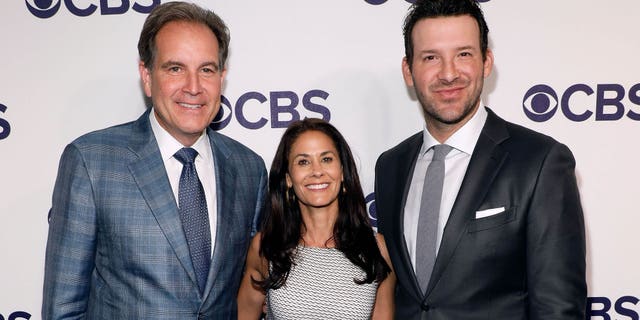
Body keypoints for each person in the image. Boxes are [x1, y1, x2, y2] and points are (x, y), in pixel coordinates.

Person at [42, 2, 267, 319]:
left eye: (206, 69)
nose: (193, 87)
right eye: (175, 68)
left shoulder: (249, 169)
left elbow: (254, 292)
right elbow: (63, 309)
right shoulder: (92, 161)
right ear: (146, 76)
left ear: (222, 77)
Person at [374, 0, 587, 319]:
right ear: (409, 69)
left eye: (464, 54)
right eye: (431, 57)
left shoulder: (540, 162)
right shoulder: (390, 166)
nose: (448, 74)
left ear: (486, 62)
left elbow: (558, 308)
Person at [237, 118, 396, 319]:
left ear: (343, 172)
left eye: (326, 159)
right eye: (303, 162)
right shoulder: (266, 246)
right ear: (288, 178)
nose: (317, 171)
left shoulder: (376, 248)